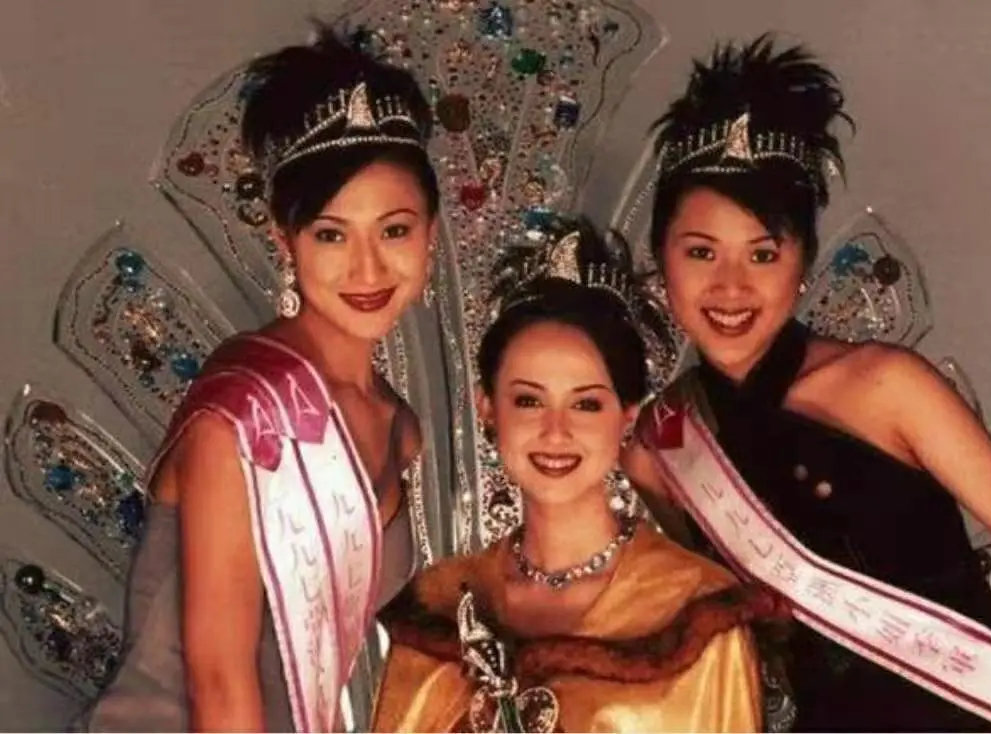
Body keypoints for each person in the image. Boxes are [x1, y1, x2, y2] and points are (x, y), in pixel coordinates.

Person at [622, 34, 991, 732]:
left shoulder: (886, 386)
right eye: (701, 252)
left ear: (803, 262)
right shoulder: (664, 444)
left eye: (763, 254)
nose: (730, 286)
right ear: (661, 259)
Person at [79, 26, 439, 732]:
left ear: (430, 230)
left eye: (394, 230)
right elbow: (220, 683)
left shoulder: (399, 427)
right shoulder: (244, 416)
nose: (367, 268)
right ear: (285, 239)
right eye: (331, 234)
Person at [371, 219, 782, 733]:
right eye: (528, 400)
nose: (556, 431)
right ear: (488, 408)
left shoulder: (693, 609)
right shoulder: (439, 605)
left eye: (586, 404)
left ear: (628, 416)